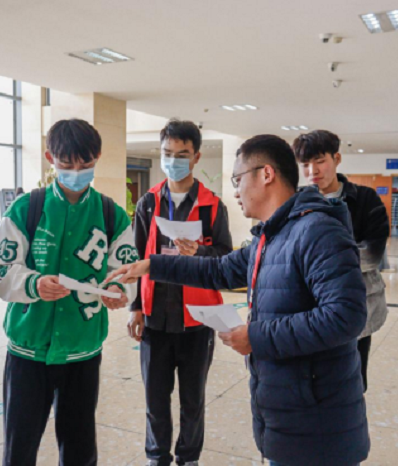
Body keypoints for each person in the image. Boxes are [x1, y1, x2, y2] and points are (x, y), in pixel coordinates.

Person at [109, 135, 370, 466]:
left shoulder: (317, 232)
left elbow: (345, 316)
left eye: (237, 179)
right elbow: (218, 270)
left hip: (318, 423)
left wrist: (255, 337)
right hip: (289, 412)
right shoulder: (272, 235)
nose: (235, 191)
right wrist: (151, 266)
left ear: (266, 174)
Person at [0, 119, 138, 466]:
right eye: (67, 164)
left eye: (86, 164)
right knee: (19, 445)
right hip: (28, 350)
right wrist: (33, 283)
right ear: (50, 158)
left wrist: (118, 289)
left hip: (81, 351)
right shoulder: (26, 209)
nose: (76, 172)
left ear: (97, 158)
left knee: (79, 447)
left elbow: (126, 270)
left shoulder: (112, 215)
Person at [130, 119, 232, 466]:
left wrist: (199, 252)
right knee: (155, 398)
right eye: (168, 153)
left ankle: (189, 458)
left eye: (182, 154)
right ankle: (156, 456)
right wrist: (135, 307)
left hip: (197, 319)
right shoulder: (148, 203)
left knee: (193, 399)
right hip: (155, 317)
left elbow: (226, 258)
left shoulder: (212, 205)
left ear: (196, 156)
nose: (174, 160)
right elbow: (137, 258)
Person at [293, 130, 390, 393]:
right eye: (305, 164)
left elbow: (373, 254)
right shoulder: (296, 202)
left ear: (336, 159)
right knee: (314, 380)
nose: (313, 171)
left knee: (353, 381)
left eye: (320, 161)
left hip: (357, 305)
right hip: (308, 307)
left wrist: (316, 261)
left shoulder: (365, 199)